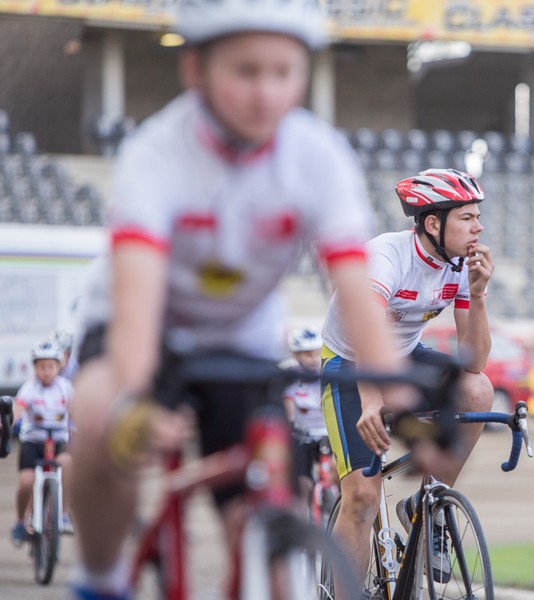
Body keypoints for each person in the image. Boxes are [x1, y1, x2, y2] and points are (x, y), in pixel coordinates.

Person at [67, 1, 401, 598]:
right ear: (193, 68)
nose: (266, 92)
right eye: (245, 71)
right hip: (141, 324)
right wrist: (135, 395)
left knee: (253, 504)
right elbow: (139, 300)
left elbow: (356, 288)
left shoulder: (317, 156)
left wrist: (395, 387)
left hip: (240, 335)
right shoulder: (157, 152)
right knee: (98, 420)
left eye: (284, 72)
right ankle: (100, 577)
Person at [321, 168, 494, 594]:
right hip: (348, 360)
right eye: (468, 217)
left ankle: (427, 501)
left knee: (478, 390)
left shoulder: (457, 266)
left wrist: (477, 293)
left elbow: (473, 362)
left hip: (404, 356)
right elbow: (366, 336)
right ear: (433, 223)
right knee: (361, 496)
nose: (479, 226)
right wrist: (371, 403)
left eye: (478, 216)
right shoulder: (386, 256)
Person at [11, 340, 74, 545]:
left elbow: (76, 411)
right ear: (35, 368)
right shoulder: (30, 388)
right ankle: (21, 521)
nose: (46, 371)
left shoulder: (66, 388)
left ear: (58, 367)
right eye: (41, 367)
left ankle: (63, 515)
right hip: (33, 441)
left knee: (68, 464)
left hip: (58, 440)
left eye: (50, 366)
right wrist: (8, 422)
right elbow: (17, 409)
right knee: (27, 482)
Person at [281, 327, 332, 512]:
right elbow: (286, 405)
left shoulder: (330, 371)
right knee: (302, 483)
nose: (313, 359)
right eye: (307, 354)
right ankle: (302, 518)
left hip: (328, 432)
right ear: (295, 355)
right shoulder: (289, 375)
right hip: (302, 433)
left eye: (317, 353)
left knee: (338, 473)